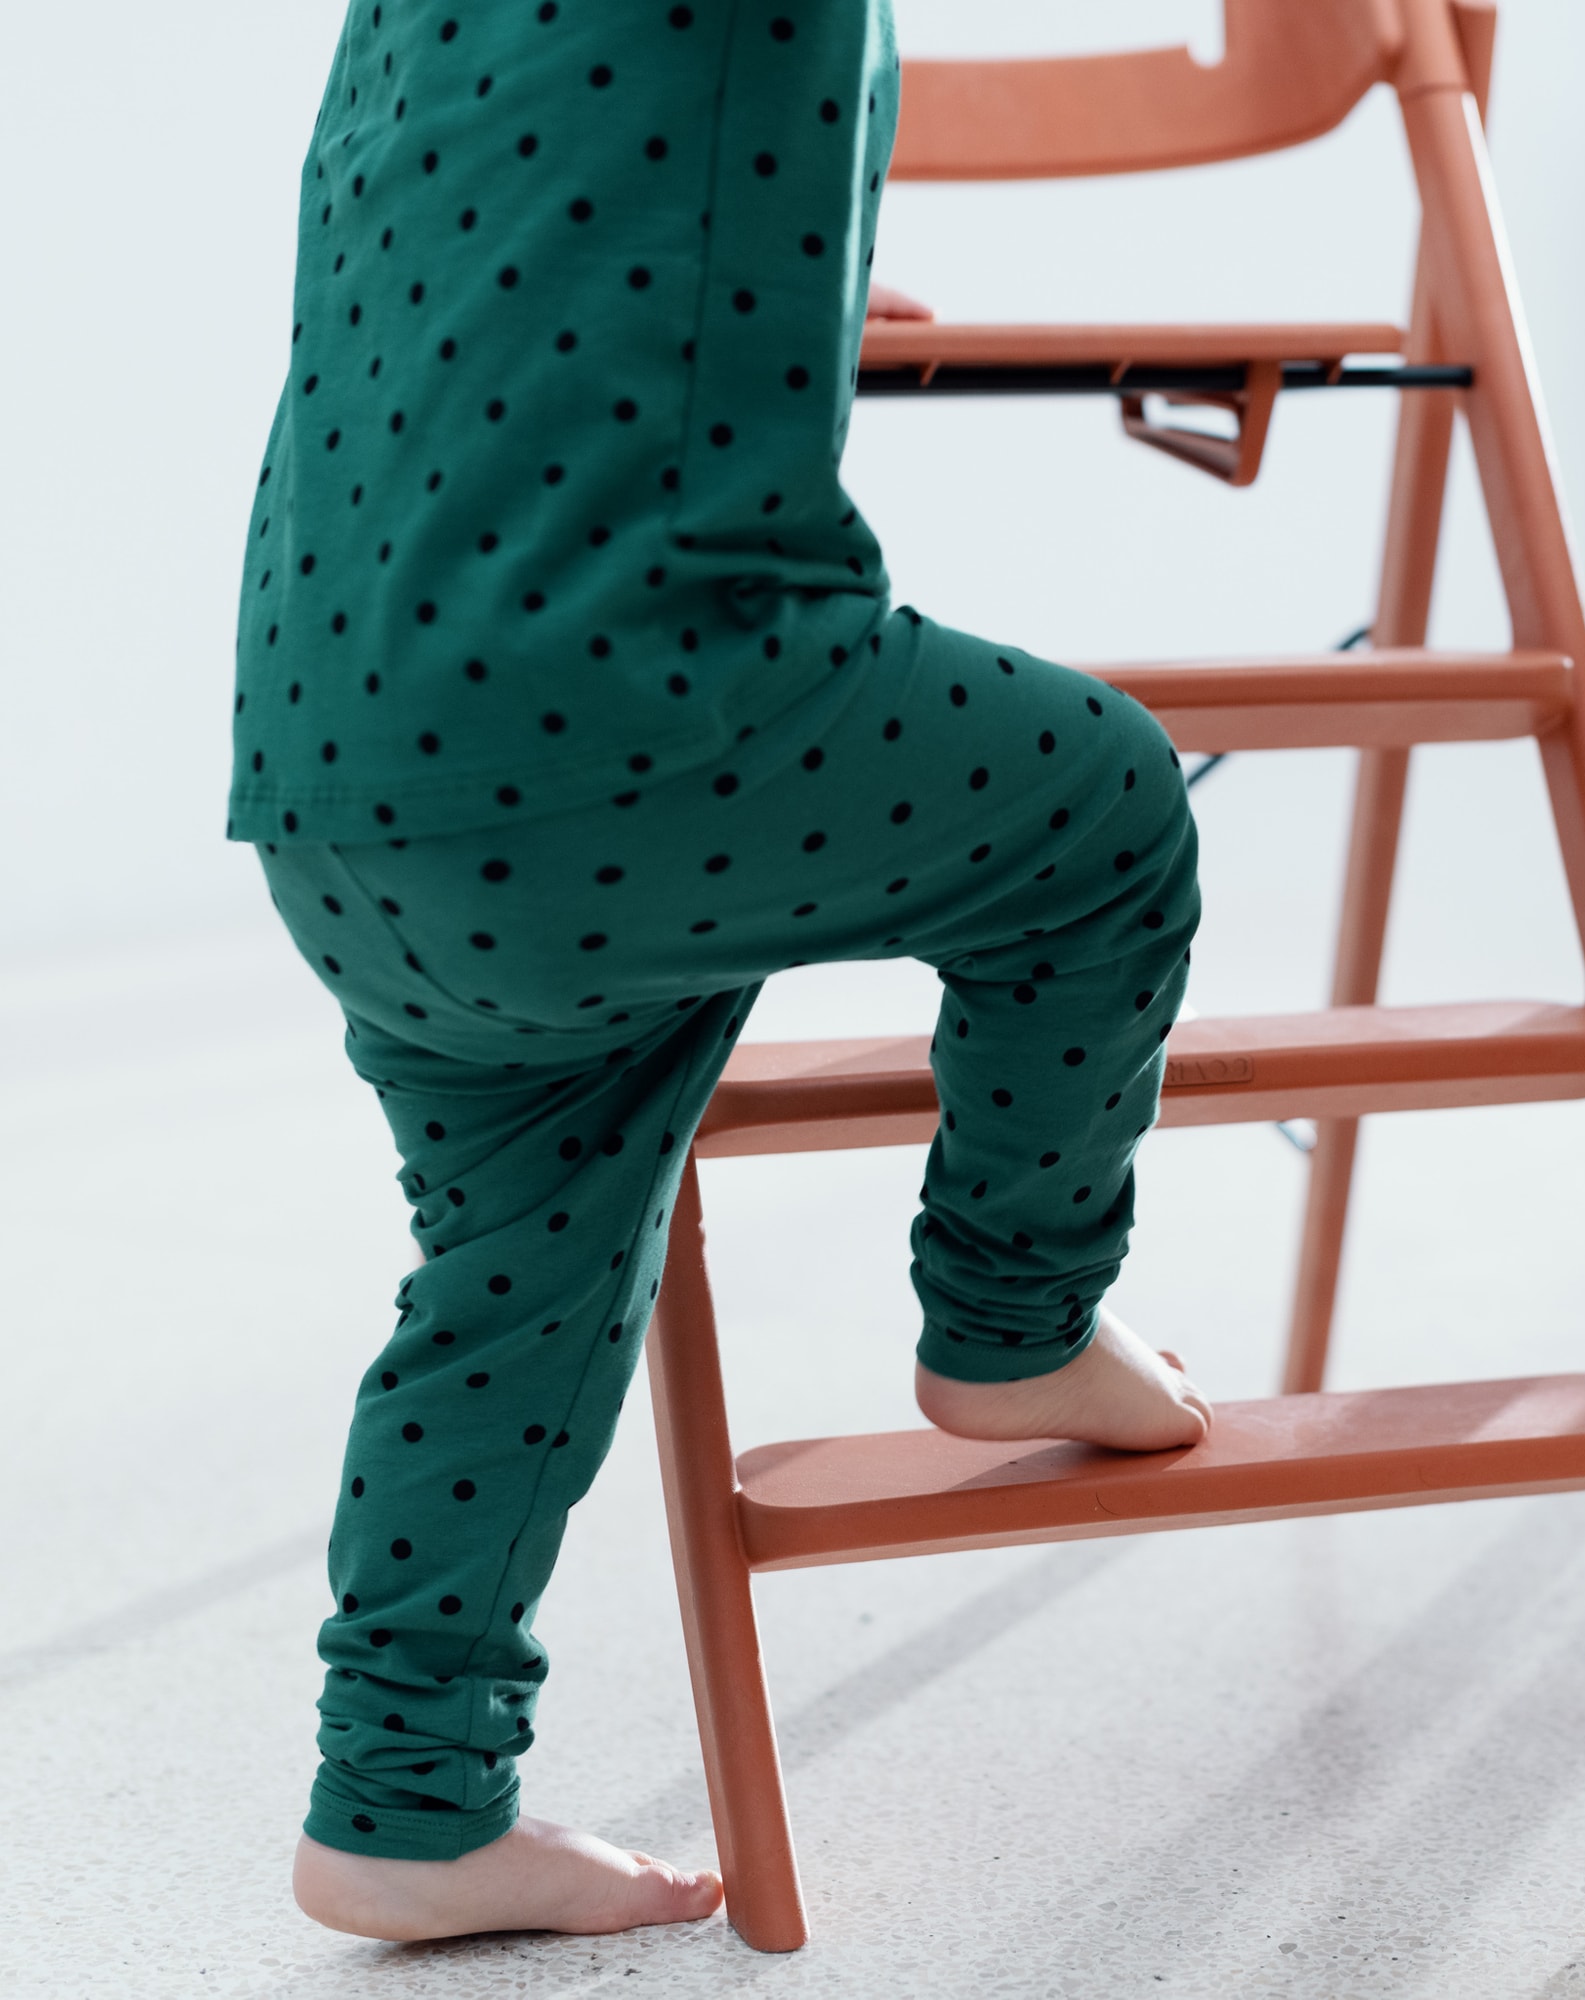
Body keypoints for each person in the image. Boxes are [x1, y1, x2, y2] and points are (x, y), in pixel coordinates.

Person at [233, 0, 1207, 1942]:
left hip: (335, 775)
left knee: (514, 1272)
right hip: (627, 713)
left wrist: (778, 311)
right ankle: (1013, 1316)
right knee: (1103, 812)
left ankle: (404, 1797)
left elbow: (529, 226)